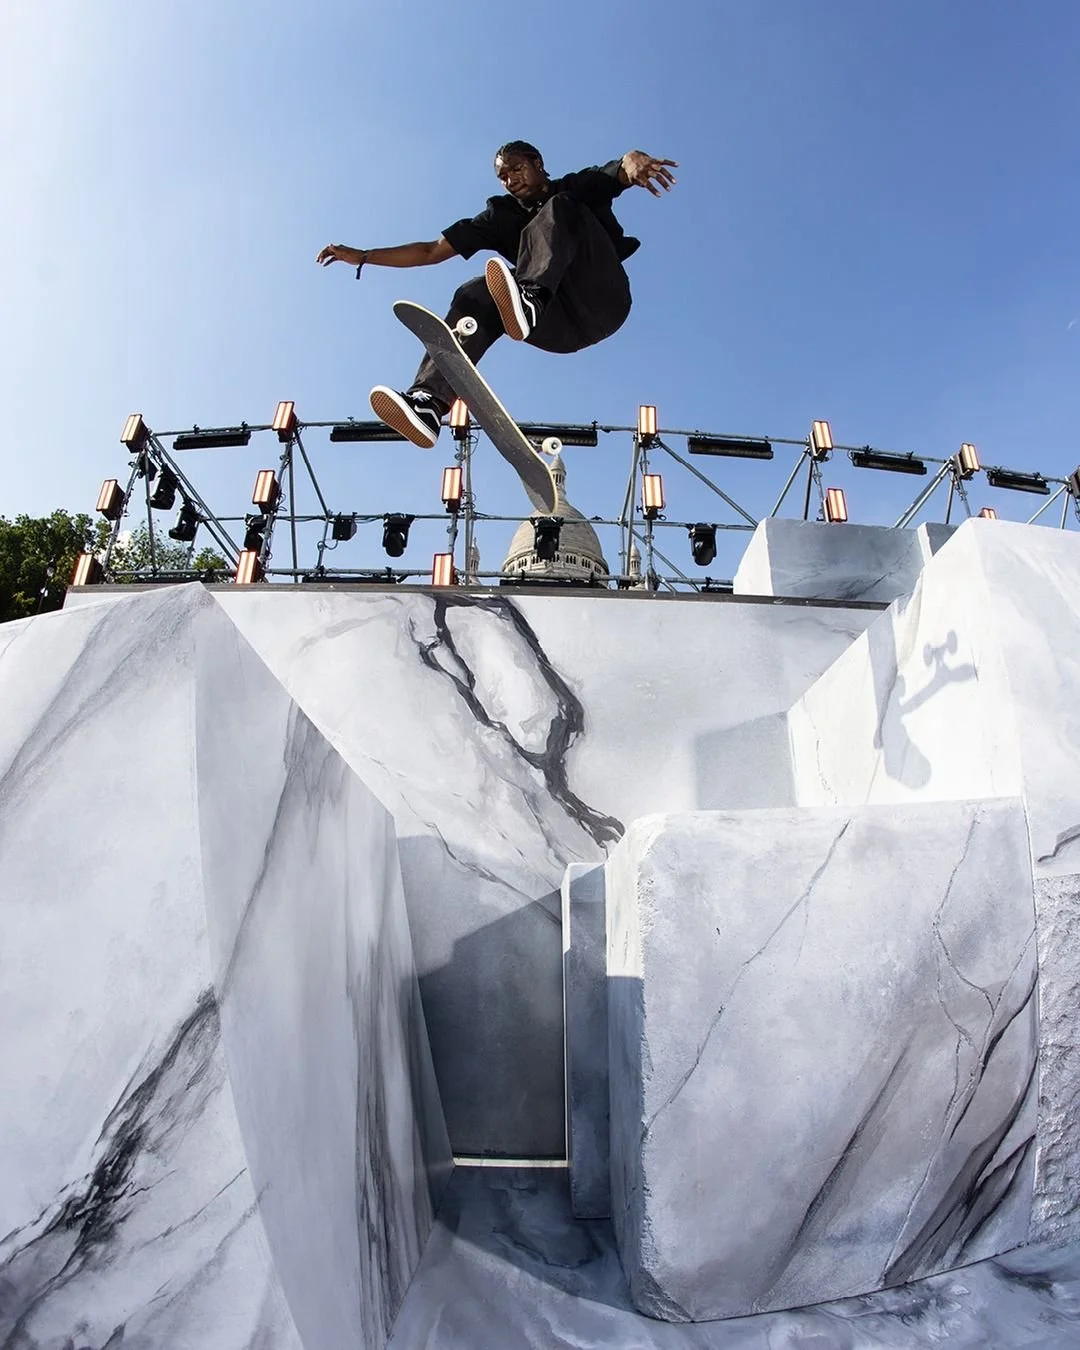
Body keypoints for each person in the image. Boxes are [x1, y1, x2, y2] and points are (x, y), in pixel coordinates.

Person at [315, 142, 677, 448]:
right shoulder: (498, 215)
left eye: (516, 169)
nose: (510, 180)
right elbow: (430, 251)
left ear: (538, 164)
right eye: (503, 176)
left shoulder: (577, 185)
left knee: (560, 206)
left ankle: (530, 297)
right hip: (559, 328)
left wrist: (635, 159)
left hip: (603, 298)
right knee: (474, 292)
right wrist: (364, 256)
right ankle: (429, 403)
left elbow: (620, 170)